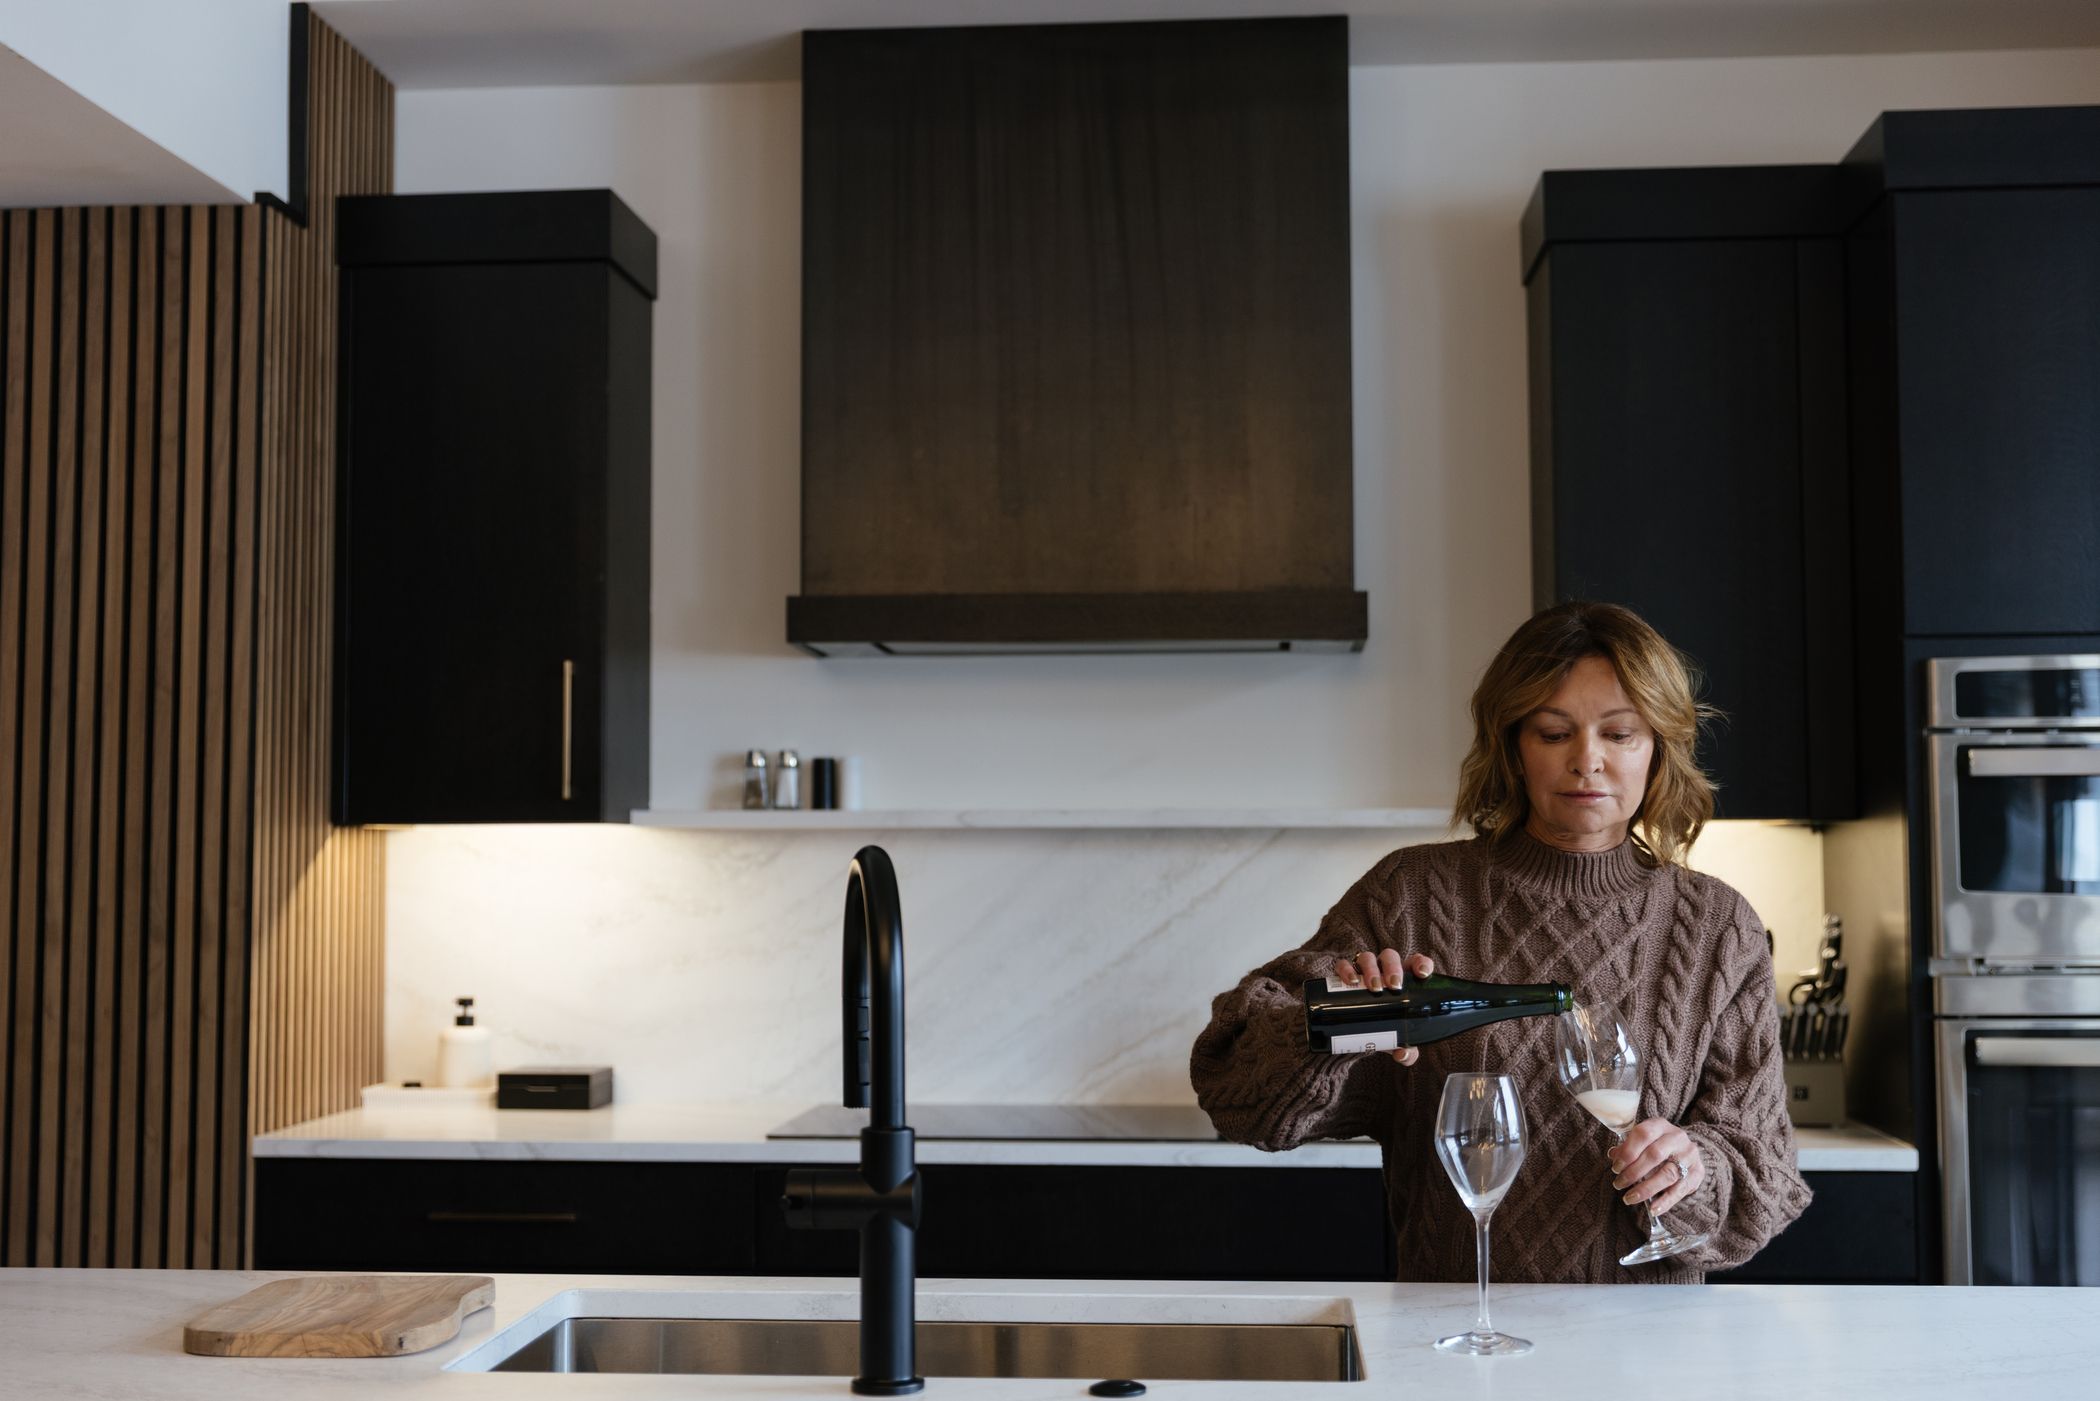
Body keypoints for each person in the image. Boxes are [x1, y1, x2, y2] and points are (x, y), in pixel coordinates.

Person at [1190, 600, 1810, 1283]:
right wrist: (1333, 1019)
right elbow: (1237, 1096)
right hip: (1454, 1325)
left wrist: (1697, 1168)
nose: (1587, 761)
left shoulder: (1718, 926)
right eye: (1554, 732)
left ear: (1658, 748)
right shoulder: (1410, 895)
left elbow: (1765, 1176)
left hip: (1647, 1334)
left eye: (1619, 733)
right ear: (1513, 746)